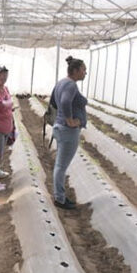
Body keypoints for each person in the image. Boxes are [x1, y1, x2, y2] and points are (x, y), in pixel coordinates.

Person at [50, 56, 88, 210]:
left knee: (60, 164)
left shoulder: (61, 82)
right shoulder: (71, 85)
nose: (85, 73)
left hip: (59, 128)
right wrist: (71, 120)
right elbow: (65, 102)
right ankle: (60, 198)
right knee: (61, 166)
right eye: (84, 70)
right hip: (67, 130)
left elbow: (53, 101)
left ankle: (60, 195)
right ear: (76, 70)